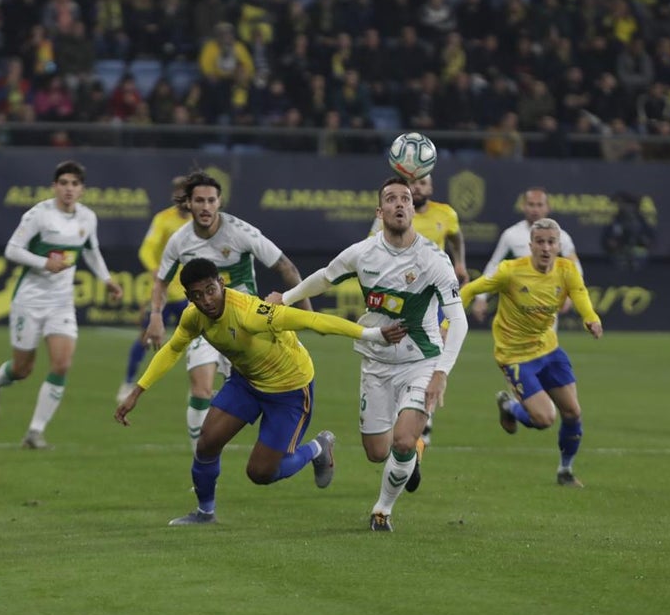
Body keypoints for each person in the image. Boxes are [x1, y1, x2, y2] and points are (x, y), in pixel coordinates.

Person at [115, 259, 407, 525]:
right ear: (189, 298)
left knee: (260, 473)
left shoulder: (250, 314)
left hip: (290, 389)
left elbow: (312, 321)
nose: (206, 300)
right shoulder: (193, 317)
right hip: (248, 383)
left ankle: (318, 448)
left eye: (210, 290)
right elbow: (172, 349)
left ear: (222, 283)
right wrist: (137, 391)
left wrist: (371, 334)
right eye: (197, 296)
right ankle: (205, 513)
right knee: (206, 444)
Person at [269, 176, 469, 532]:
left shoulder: (432, 259)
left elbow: (458, 320)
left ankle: (382, 510)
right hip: (376, 363)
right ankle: (404, 456)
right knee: (378, 452)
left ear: (411, 209)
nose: (399, 204)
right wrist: (285, 298)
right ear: (380, 211)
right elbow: (325, 277)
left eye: (405, 199)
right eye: (391, 199)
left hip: (420, 362)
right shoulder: (364, 252)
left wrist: (442, 373)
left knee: (404, 441)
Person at [143, 170, 312, 453]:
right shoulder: (179, 241)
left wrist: (305, 312)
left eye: (211, 200)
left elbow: (287, 267)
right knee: (199, 389)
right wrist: (156, 316)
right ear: (189, 204)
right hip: (204, 323)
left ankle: (301, 446)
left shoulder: (240, 232)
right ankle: (201, 466)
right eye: (199, 201)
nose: (206, 206)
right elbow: (161, 280)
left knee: (259, 390)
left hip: (245, 325)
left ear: (219, 202)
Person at [0, 160, 123, 448]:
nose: (69, 189)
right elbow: (12, 250)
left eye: (74, 184)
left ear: (82, 190)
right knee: (22, 369)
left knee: (61, 364)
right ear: (54, 187)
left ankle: (35, 432)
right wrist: (45, 262)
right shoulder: (39, 215)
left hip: (61, 302)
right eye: (64, 183)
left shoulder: (87, 218)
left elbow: (91, 251)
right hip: (30, 300)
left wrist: (106, 279)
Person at [459, 218, 603, 487]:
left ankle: (565, 471)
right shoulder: (510, 272)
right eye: (540, 242)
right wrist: (449, 322)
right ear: (531, 245)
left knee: (572, 413)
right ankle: (510, 407)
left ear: (559, 245)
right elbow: (470, 289)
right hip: (515, 356)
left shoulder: (566, 270)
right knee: (544, 418)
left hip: (549, 350)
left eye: (551, 242)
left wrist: (591, 318)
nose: (546, 248)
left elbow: (580, 294)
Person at [367, 173, 468, 471]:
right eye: (416, 184)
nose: (420, 188)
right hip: (399, 299)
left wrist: (459, 261)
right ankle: (408, 422)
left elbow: (456, 236)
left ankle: (421, 424)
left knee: (431, 356)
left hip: (431, 299)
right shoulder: (396, 215)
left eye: (425, 183)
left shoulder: (446, 213)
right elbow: (372, 243)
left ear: (431, 187)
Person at [116, 176, 192, 403]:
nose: (182, 199)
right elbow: (146, 249)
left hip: (191, 292)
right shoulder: (163, 219)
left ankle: (199, 387)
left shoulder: (201, 221)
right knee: (146, 338)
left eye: (186, 194)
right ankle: (128, 382)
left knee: (201, 341)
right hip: (164, 292)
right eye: (178, 194)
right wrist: (153, 268)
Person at [471, 187, 583, 324]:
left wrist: (571, 295)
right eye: (531, 204)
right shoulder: (511, 235)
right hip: (515, 309)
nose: (535, 209)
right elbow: (494, 266)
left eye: (539, 205)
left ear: (547, 207)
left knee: (546, 343)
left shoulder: (561, 237)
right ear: (523, 206)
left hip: (547, 307)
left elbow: (575, 267)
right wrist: (481, 298)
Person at [601, 191, 655, 270]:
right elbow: (608, 241)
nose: (627, 209)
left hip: (639, 258)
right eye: (624, 206)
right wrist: (613, 243)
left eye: (630, 206)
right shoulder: (616, 221)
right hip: (619, 257)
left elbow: (650, 241)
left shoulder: (641, 223)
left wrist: (643, 240)